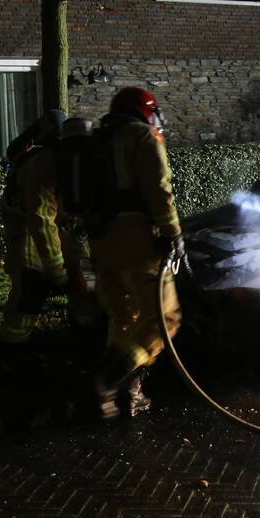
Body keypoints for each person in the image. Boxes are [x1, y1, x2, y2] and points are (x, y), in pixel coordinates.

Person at [88, 87, 183, 419]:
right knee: (164, 319)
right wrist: (173, 233)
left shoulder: (97, 140)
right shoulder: (142, 137)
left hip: (101, 242)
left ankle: (126, 396)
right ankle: (105, 380)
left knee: (123, 318)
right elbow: (159, 187)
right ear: (146, 111)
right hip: (137, 242)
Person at [0, 110, 89, 348]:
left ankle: (84, 341)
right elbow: (41, 221)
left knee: (84, 281)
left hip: (45, 226)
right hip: (26, 230)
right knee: (31, 286)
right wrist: (58, 273)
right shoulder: (44, 164)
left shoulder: (62, 160)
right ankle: (13, 351)